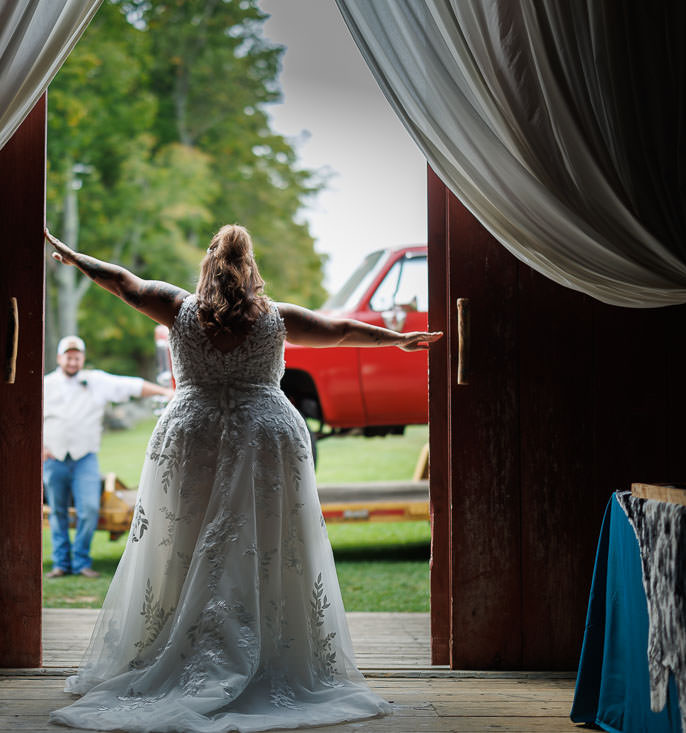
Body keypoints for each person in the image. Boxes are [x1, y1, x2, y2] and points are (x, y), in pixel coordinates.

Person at [44, 224, 442, 732]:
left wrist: (75, 256)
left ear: (209, 263)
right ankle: (264, 648)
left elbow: (124, 282)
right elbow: (340, 329)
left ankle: (184, 649)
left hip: (194, 435)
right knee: (266, 544)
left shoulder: (176, 307)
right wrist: (397, 339)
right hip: (266, 439)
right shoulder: (278, 319)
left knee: (183, 544)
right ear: (251, 266)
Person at [44, 334, 174, 579]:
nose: (73, 362)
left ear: (82, 358)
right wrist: (40, 448)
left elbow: (131, 386)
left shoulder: (95, 381)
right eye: (68, 357)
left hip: (85, 458)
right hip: (54, 459)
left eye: (77, 357)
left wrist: (166, 392)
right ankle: (61, 564)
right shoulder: (46, 384)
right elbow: (30, 417)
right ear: (60, 358)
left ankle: (81, 562)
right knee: (58, 512)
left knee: (90, 509)